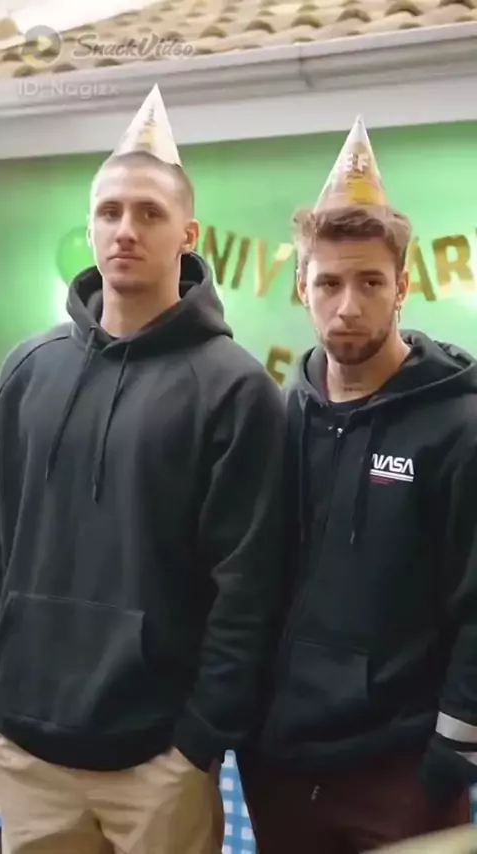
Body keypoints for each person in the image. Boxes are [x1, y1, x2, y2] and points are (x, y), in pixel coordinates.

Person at [0, 84, 287, 854]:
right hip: (25, 754)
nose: (126, 229)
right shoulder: (26, 370)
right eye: (110, 211)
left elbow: (249, 583)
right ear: (91, 225)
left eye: (150, 213)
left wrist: (197, 740)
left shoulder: (235, 389)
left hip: (159, 764)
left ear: (188, 234)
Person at [238, 116, 477, 853]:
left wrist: (455, 745)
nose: (348, 305)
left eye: (370, 282)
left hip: (399, 768)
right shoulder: (280, 416)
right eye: (329, 283)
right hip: (280, 759)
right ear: (301, 288)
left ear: (402, 287)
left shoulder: (459, 426)